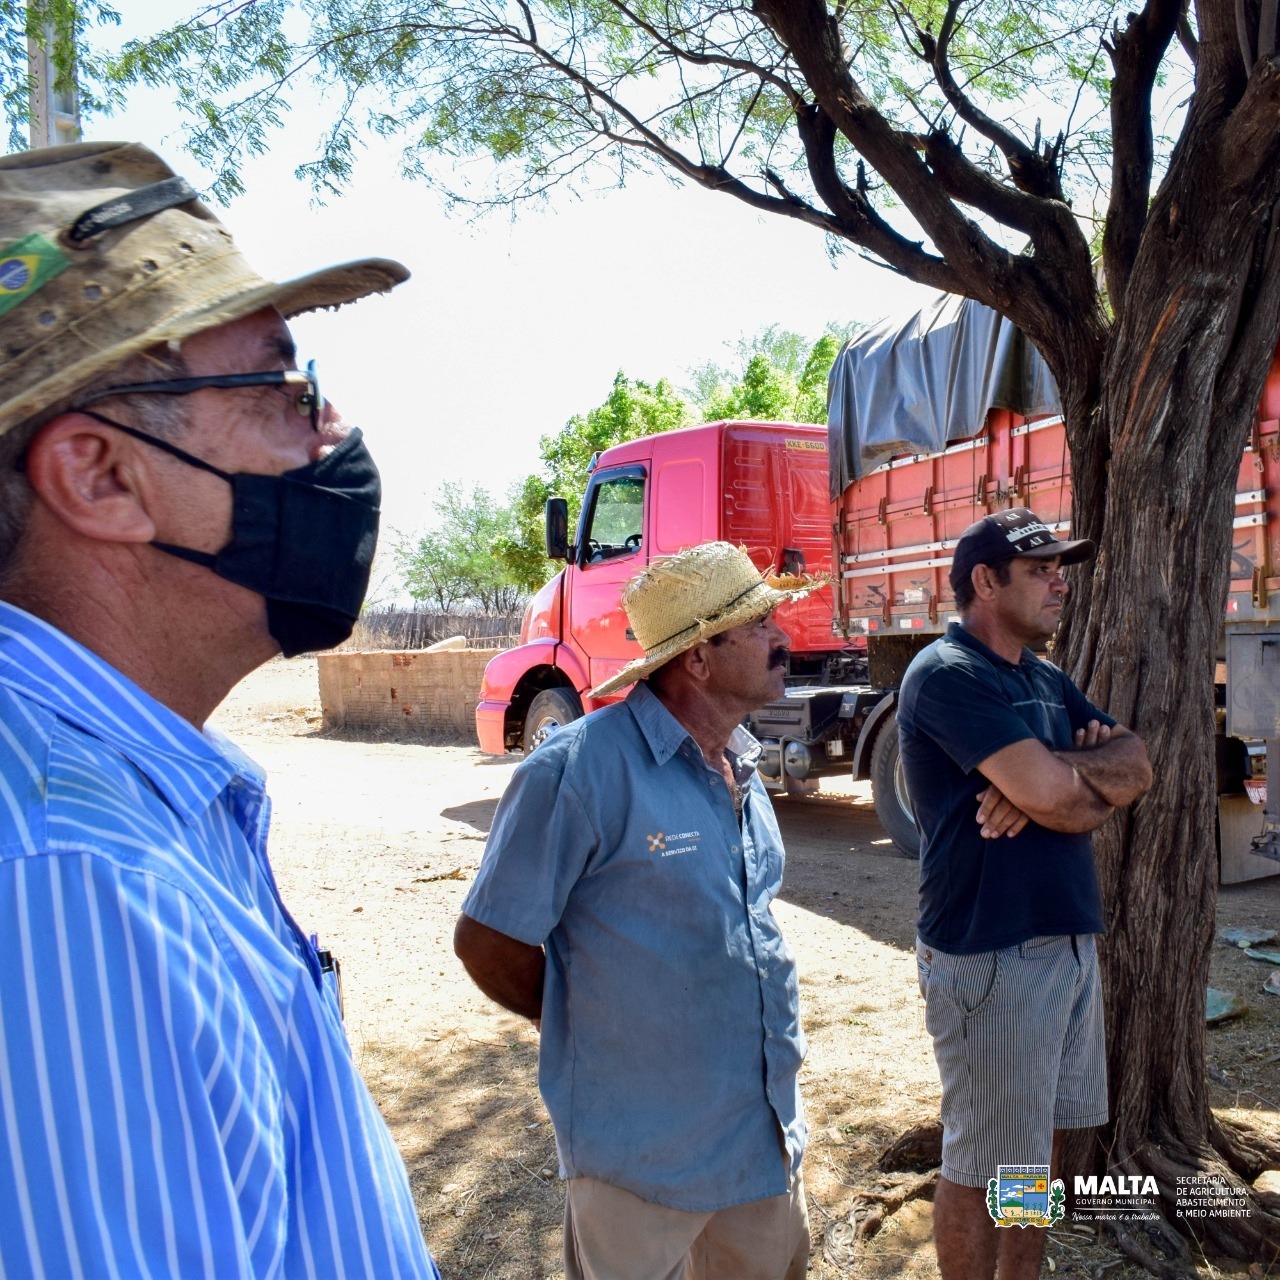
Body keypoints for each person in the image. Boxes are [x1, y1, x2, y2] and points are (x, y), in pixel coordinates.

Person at [0, 141, 440, 1279]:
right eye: (281, 384)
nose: (332, 429)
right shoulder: (70, 873)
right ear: (100, 475)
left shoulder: (135, 792)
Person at [454, 541, 815, 1280]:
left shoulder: (739, 764)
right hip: (639, 1163)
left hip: (759, 1148)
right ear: (698, 660)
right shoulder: (576, 770)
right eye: (758, 625)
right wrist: (586, 1015)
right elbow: (488, 941)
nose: (783, 639)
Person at [897, 507, 1153, 1280]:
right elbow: (1067, 799)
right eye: (1040, 569)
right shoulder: (948, 675)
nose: (1059, 583)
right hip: (993, 954)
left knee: (1033, 1146)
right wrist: (1059, 785)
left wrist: (1052, 779)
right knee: (978, 1163)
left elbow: (1137, 762)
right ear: (985, 580)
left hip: (1066, 945)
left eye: (1059, 568)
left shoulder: (1043, 677)